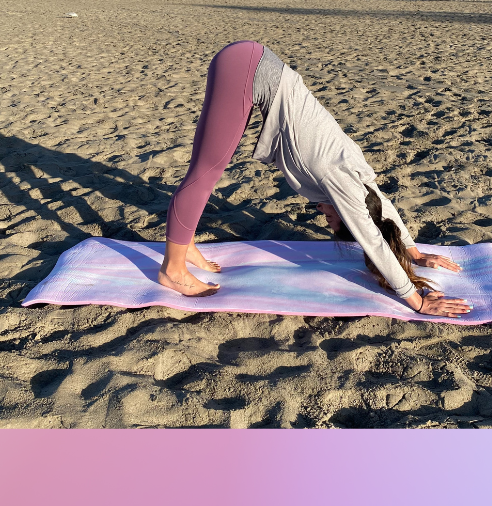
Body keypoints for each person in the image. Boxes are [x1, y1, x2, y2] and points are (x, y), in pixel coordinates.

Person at [159, 41, 472, 319]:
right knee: (204, 175)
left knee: (206, 172)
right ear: (349, 213)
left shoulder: (358, 177)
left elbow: (381, 207)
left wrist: (414, 252)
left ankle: (183, 246)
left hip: (253, 64)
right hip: (244, 71)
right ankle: (173, 270)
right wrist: (416, 301)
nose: (326, 219)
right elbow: (372, 239)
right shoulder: (341, 183)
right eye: (335, 222)